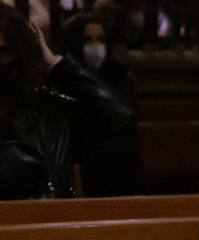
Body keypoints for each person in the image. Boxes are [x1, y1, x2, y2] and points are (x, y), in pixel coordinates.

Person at [0, 5, 133, 199]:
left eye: (3, 52)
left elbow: (120, 115)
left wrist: (54, 63)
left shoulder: (49, 110)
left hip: (56, 221)